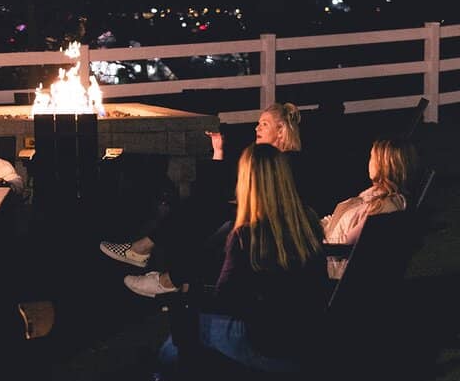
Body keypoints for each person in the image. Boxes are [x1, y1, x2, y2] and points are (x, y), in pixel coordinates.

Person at [103, 102, 310, 297]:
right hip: (248, 216)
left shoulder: (288, 162)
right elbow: (222, 188)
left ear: (281, 130)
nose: (257, 128)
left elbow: (277, 204)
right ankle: (163, 272)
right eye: (258, 123)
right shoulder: (256, 157)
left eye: (264, 124)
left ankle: (163, 272)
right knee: (202, 206)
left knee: (210, 215)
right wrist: (218, 151)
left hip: (268, 224)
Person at [155, 143, 328, 374]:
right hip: (307, 340)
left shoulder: (247, 236)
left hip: (266, 344)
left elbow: (225, 299)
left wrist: (194, 294)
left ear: (247, 182)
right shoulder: (308, 223)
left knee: (180, 334)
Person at [322, 137, 419, 278]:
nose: (369, 162)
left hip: (338, 268)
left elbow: (345, 243)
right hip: (329, 243)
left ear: (384, 164)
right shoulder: (375, 197)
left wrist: (314, 240)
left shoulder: (385, 207)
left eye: (372, 157)